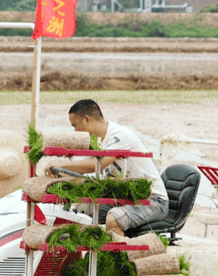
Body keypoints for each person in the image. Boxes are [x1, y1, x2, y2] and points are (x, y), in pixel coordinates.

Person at [43, 99, 167, 237]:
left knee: (113, 219)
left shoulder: (119, 136)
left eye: (75, 126)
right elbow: (82, 165)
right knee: (84, 215)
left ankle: (121, 257)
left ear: (86, 119)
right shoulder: (98, 141)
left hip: (152, 199)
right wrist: (61, 171)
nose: (75, 131)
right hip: (127, 197)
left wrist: (60, 164)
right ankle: (88, 256)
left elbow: (98, 164)